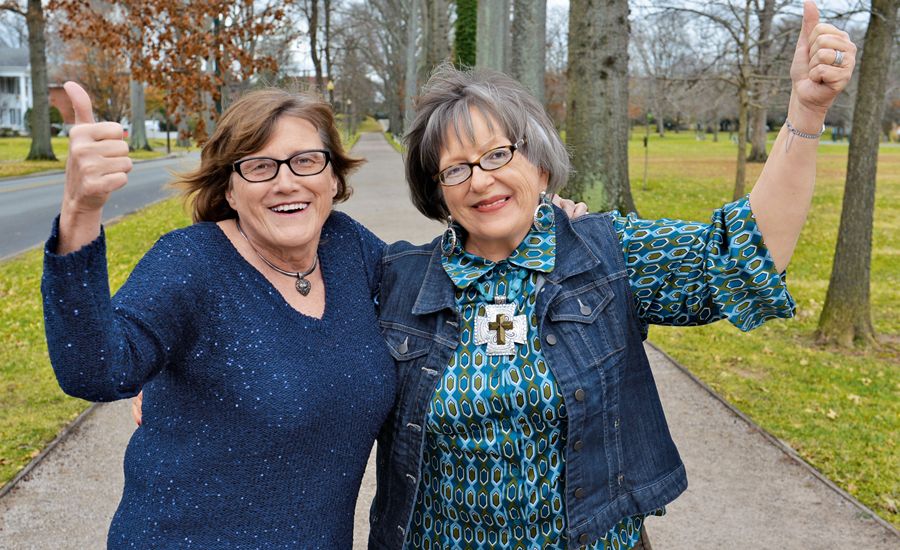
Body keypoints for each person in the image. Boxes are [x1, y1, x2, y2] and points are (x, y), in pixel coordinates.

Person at [367, 2, 855, 549]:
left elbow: (740, 256)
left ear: (541, 164)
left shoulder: (605, 253)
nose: (480, 181)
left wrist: (806, 113)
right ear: (438, 193)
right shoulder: (397, 280)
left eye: (498, 154)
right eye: (456, 168)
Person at [41, 84, 399, 548]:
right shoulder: (191, 263)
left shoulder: (350, 250)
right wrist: (80, 210)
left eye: (306, 160)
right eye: (259, 166)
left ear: (333, 177)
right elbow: (95, 370)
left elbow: (437, 287)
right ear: (229, 189)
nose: (286, 182)